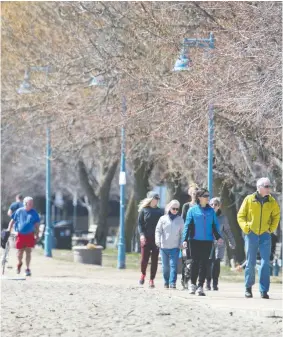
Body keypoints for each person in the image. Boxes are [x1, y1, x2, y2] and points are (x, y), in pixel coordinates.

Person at [237, 177, 280, 299]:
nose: (269, 189)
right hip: (251, 235)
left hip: (265, 235)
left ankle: (264, 290)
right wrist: (247, 228)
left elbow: (276, 216)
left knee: (265, 263)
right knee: (250, 262)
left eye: (269, 186)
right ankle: (248, 288)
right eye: (266, 186)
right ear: (259, 187)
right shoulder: (249, 200)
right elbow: (241, 216)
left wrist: (271, 229)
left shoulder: (272, 202)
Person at [182, 188, 223, 296]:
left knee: (204, 263)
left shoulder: (211, 211)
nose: (207, 198)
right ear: (199, 197)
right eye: (205, 196)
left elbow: (214, 226)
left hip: (208, 240)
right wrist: (184, 240)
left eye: (208, 196)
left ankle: (200, 286)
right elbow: (187, 225)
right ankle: (192, 284)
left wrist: (218, 237)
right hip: (194, 240)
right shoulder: (192, 210)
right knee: (195, 262)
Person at [205, 197, 236, 291]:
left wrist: (232, 241)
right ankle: (207, 283)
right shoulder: (205, 216)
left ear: (219, 206)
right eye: (212, 204)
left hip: (219, 243)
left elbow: (227, 230)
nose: (214, 206)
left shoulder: (223, 218)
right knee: (208, 263)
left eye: (216, 204)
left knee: (216, 263)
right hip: (208, 243)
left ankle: (215, 283)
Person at [7, 196, 40, 276]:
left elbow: (36, 225)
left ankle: (27, 269)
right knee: (19, 253)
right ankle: (19, 263)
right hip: (20, 235)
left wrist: (37, 234)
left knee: (28, 252)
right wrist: (9, 229)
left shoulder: (34, 212)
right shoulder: (19, 211)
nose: (32, 204)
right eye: (30, 203)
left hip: (30, 235)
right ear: (25, 203)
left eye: (32, 203)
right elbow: (12, 221)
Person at [155, 200, 184, 289]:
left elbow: (183, 233)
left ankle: (172, 283)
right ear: (169, 208)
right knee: (165, 267)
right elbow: (158, 231)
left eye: (177, 209)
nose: (175, 210)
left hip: (175, 247)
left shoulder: (180, 220)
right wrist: (157, 240)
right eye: (173, 208)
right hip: (164, 247)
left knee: (173, 265)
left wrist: (181, 243)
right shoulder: (163, 219)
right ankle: (166, 281)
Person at [138, 191, 163, 288]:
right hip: (146, 238)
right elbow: (140, 224)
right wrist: (142, 235)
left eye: (158, 199)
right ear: (151, 199)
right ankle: (143, 274)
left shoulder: (160, 211)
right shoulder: (144, 210)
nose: (156, 200)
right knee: (144, 259)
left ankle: (152, 279)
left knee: (154, 260)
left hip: (156, 239)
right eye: (155, 198)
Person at [180, 184, 198, 289]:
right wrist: (183, 237)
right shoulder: (186, 206)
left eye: (196, 193)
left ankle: (193, 281)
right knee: (187, 259)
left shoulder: (201, 206)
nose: (194, 195)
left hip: (198, 236)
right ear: (189, 194)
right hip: (188, 236)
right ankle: (184, 279)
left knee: (195, 260)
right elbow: (183, 221)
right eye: (193, 193)